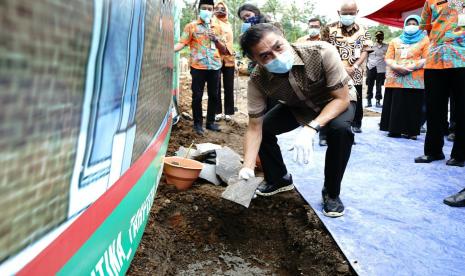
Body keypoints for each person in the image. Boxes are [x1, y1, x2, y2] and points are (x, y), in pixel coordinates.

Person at [238, 23, 356, 218]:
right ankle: (279, 179)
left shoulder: (321, 52)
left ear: (284, 37)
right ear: (254, 60)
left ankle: (331, 193)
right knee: (266, 128)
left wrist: (311, 129)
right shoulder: (257, 81)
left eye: (278, 47)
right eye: (265, 56)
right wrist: (248, 166)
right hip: (298, 106)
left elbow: (341, 99)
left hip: (336, 101)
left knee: (340, 131)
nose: (276, 57)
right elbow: (254, 128)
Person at [416, 0, 465, 207]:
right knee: (434, 108)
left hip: (462, 58)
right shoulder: (431, 1)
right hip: (435, 59)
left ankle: (460, 154)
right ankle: (433, 150)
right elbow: (426, 27)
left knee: (462, 109)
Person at [174, 0, 229, 135]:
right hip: (198, 67)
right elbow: (182, 43)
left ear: (213, 11)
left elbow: (224, 50)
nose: (207, 11)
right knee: (197, 96)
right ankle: (198, 124)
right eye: (204, 8)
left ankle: (210, 122)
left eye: (210, 9)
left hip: (215, 66)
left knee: (214, 96)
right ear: (199, 10)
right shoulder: (191, 26)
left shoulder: (218, 27)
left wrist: (215, 39)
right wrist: (169, 50)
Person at [322, 0, 372, 133]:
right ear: (339, 13)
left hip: (355, 72)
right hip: (333, 71)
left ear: (357, 12)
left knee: (356, 98)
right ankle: (328, 125)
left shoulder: (364, 29)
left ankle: (355, 123)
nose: (348, 15)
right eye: (345, 13)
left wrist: (354, 66)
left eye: (352, 13)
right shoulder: (329, 28)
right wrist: (341, 68)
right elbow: (324, 50)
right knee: (333, 97)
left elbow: (365, 50)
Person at [379, 15, 429, 140]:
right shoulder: (395, 41)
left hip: (414, 77)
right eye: (409, 23)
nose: (411, 25)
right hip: (396, 77)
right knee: (396, 103)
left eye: (414, 23)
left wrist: (410, 67)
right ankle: (394, 129)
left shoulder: (425, 41)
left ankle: (411, 131)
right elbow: (388, 57)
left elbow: (426, 58)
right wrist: (396, 67)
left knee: (412, 104)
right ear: (404, 25)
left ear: (419, 25)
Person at [213, 1, 235, 122]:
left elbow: (230, 42)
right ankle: (217, 112)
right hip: (215, 58)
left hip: (229, 58)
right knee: (216, 86)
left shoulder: (229, 25)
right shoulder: (211, 22)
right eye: (218, 8)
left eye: (223, 8)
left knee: (229, 86)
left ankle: (228, 112)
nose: (220, 10)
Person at [366, 31, 388, 108]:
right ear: (375, 37)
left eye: (381, 36)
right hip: (371, 67)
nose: (379, 38)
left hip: (381, 68)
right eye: (378, 36)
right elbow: (365, 56)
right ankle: (369, 101)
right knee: (370, 85)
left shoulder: (386, 47)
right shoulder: (371, 46)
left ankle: (378, 101)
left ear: (383, 37)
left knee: (379, 86)